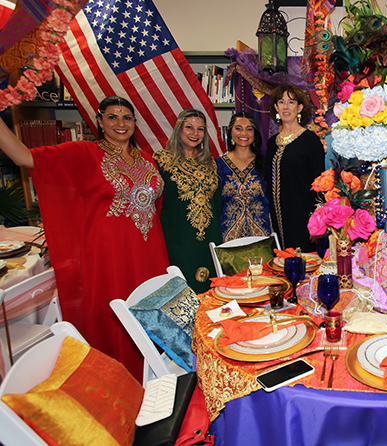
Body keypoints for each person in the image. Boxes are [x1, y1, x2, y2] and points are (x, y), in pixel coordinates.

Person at [0, 96, 169, 380]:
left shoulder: (149, 159)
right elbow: (23, 157)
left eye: (127, 117)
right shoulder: (83, 152)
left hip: (150, 253)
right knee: (115, 319)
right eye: (112, 117)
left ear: (135, 123)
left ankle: (159, 378)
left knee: (153, 315)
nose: (120, 123)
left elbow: (154, 208)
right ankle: (119, 382)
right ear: (99, 121)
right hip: (109, 257)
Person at [154, 109, 222, 293]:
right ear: (179, 129)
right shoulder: (161, 160)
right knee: (183, 291)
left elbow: (217, 203)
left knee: (212, 289)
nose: (195, 133)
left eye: (200, 129)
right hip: (177, 238)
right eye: (189, 127)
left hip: (210, 237)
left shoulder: (210, 162)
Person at [264, 85, 324, 252]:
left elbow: (320, 183)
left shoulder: (310, 140)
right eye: (281, 102)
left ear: (299, 107)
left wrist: (317, 219)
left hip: (303, 215)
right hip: (277, 216)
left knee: (303, 263)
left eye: (291, 102)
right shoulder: (271, 143)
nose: (285, 107)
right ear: (276, 107)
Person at [217, 113, 271, 242]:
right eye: (238, 128)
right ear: (230, 132)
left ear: (255, 134)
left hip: (261, 238)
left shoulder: (265, 163)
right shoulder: (218, 165)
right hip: (229, 240)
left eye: (249, 129)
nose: (244, 133)